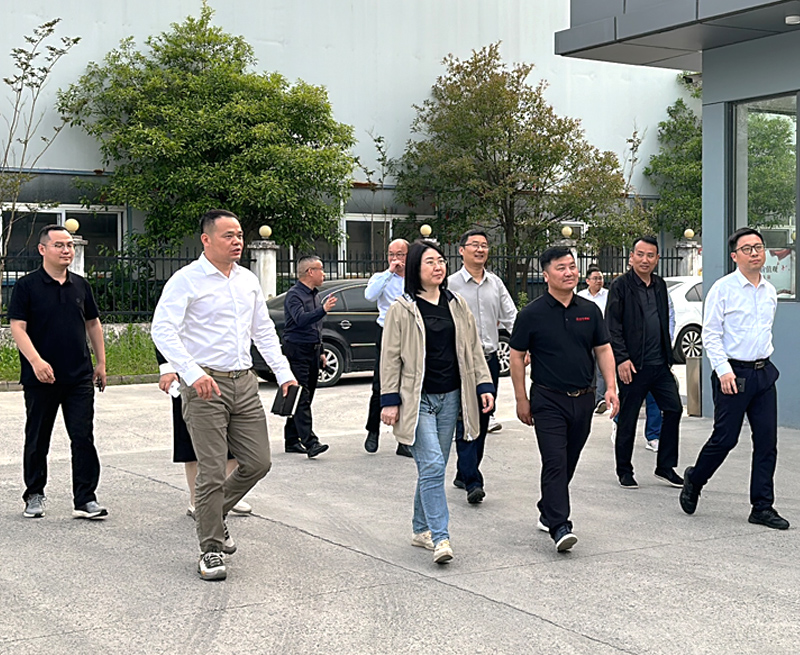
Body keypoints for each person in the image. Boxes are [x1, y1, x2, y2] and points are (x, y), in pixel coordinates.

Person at [152, 209, 296, 581]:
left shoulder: (247, 280)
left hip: (244, 382)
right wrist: (191, 372)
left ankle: (213, 515)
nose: (237, 241)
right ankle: (211, 549)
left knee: (258, 462)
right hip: (205, 386)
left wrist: (283, 372)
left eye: (240, 235)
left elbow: (263, 330)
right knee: (212, 471)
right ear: (206, 239)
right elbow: (162, 329)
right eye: (228, 235)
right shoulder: (186, 280)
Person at [380, 239, 494, 564]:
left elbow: (472, 348)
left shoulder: (456, 304)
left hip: (451, 397)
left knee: (435, 467)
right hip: (417, 400)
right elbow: (390, 358)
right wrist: (389, 401)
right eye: (430, 262)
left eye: (441, 261)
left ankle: (420, 529)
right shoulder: (402, 309)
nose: (438, 267)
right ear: (416, 268)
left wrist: (483, 383)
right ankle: (441, 537)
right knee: (431, 465)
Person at [509, 246, 618, 552]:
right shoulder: (531, 314)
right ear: (545, 275)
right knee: (555, 461)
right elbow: (516, 356)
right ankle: (560, 525)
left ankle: (548, 507)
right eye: (561, 268)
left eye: (572, 266)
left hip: (583, 398)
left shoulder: (590, 310)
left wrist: (611, 387)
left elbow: (603, 349)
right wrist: (521, 399)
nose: (569, 272)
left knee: (569, 459)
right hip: (548, 399)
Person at [680, 227, 789, 530]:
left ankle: (762, 507)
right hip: (732, 374)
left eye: (758, 247)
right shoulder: (723, 289)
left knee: (767, 442)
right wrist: (723, 370)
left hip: (763, 374)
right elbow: (710, 334)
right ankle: (695, 478)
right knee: (725, 439)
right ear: (734, 256)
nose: (755, 253)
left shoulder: (769, 291)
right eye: (747, 249)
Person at [9, 224, 108, 520]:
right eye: (59, 245)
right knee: (38, 438)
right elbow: (18, 327)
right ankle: (34, 494)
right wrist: (36, 362)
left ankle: (85, 499)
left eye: (70, 245)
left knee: (83, 437)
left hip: (79, 376)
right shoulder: (27, 286)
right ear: (42, 249)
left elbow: (93, 323)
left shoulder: (81, 285)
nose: (66, 250)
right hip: (41, 378)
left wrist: (101, 363)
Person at [606, 236, 684, 489]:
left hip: (659, 364)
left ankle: (665, 466)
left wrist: (668, 354)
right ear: (631, 257)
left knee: (674, 408)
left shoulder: (659, 285)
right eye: (640, 254)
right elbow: (613, 326)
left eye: (650, 255)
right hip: (633, 366)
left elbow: (664, 319)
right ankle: (624, 470)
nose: (645, 260)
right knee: (628, 418)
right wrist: (622, 359)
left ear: (657, 259)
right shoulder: (620, 286)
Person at [448, 229, 516, 504]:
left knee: (484, 418)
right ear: (461, 250)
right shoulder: (450, 284)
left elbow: (511, 317)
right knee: (466, 418)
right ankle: (473, 480)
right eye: (474, 244)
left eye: (484, 245)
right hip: (460, 363)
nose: (480, 249)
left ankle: (463, 472)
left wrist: (526, 346)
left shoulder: (495, 283)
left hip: (489, 361)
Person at [156, 348, 252, 517]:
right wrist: (167, 368)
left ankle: (227, 495)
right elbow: (163, 334)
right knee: (191, 436)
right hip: (189, 371)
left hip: (227, 370)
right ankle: (197, 500)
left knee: (233, 433)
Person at [282, 255, 337, 458]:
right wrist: (323, 310)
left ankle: (291, 439)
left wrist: (321, 351)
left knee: (305, 396)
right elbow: (300, 319)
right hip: (297, 349)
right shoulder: (294, 295)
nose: (324, 273)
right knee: (302, 395)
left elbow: (316, 326)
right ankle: (310, 442)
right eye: (320, 269)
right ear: (310, 272)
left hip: (313, 350)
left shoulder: (315, 295)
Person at [363, 238, 411, 457]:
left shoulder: (415, 278)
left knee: (407, 385)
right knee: (380, 384)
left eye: (400, 254)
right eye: (391, 254)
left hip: (410, 334)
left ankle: (404, 439)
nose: (395, 258)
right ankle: (373, 430)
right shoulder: (381, 277)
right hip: (386, 332)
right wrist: (390, 272)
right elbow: (370, 295)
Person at [577, 265, 609, 414]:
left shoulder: (608, 295)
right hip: (586, 337)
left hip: (603, 336)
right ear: (587, 281)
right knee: (589, 369)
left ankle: (600, 399)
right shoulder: (581, 296)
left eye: (600, 278)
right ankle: (589, 397)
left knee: (602, 369)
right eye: (595, 278)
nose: (598, 281)